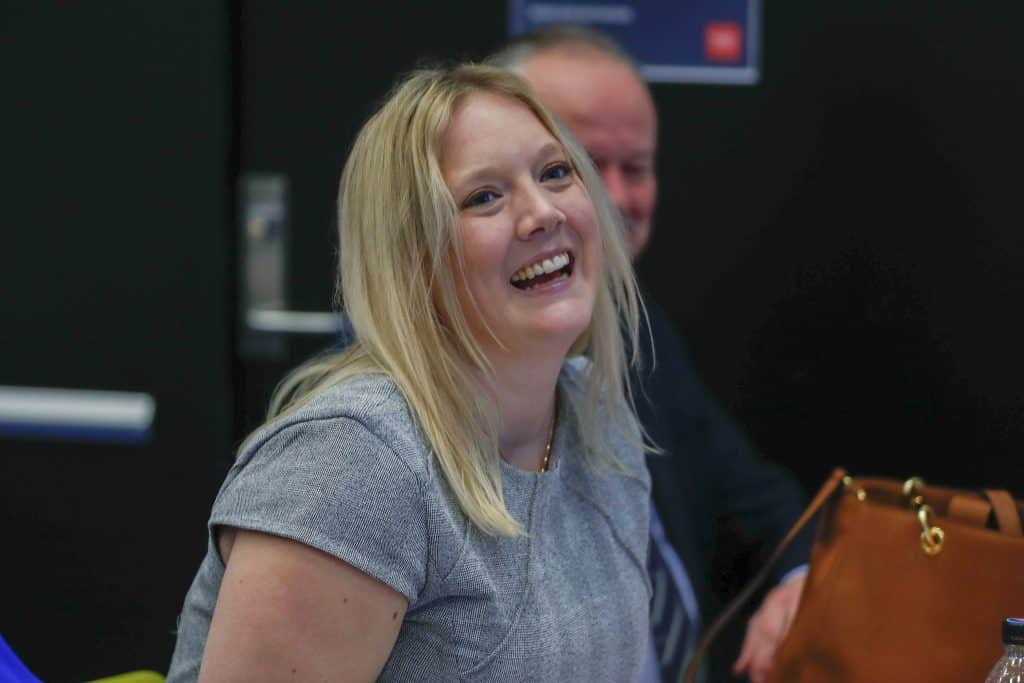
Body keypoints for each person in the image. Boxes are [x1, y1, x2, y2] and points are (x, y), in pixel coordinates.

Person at [166, 65, 652, 682]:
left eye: (555, 173)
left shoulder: (596, 413)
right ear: (414, 261)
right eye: (484, 197)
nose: (542, 213)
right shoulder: (354, 465)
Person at [489, 26, 814, 683]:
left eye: (634, 167)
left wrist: (802, 581)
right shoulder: (387, 417)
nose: (614, 198)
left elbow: (754, 502)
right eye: (574, 166)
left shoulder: (634, 328)